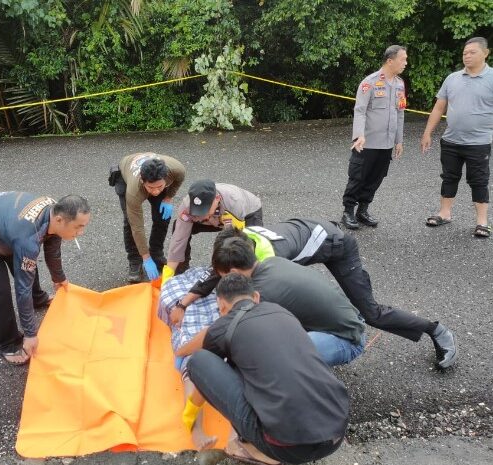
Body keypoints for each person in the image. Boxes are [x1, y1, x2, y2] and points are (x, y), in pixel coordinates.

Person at [170, 219, 457, 368]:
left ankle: (435, 330)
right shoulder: (252, 253)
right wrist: (184, 302)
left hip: (337, 245)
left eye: (224, 276)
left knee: (371, 313)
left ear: (235, 268)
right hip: (312, 236)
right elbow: (217, 274)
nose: (221, 281)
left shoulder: (264, 279)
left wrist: (183, 351)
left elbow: (226, 331)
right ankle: (331, 329)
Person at [183, 274, 349, 464]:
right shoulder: (281, 311)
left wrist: (191, 412)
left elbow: (204, 372)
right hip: (336, 431)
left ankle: (254, 451)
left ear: (221, 305)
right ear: (256, 297)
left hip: (286, 448)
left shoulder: (224, 325)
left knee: (198, 360)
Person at [0, 193, 91, 365]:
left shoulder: (58, 211)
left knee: (28, 263)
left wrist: (59, 278)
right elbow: (22, 287)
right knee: (0, 289)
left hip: (5, 230)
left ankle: (38, 299)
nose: (81, 232)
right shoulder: (28, 238)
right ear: (59, 220)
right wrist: (31, 334)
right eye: (78, 227)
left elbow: (52, 245)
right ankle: (7, 343)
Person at [207, 237, 366, 366]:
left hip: (348, 339)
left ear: (234, 272)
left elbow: (239, 331)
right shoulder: (273, 262)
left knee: (268, 356)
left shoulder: (262, 292)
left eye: (224, 277)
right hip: (351, 320)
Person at [421, 37, 493, 238]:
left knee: (479, 181)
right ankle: (444, 213)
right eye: (464, 53)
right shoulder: (452, 78)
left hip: (479, 143)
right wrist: (427, 133)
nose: (467, 56)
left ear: (485, 53)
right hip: (451, 140)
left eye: (472, 52)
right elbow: (439, 107)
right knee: (449, 177)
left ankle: (482, 222)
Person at [341, 45, 408, 229]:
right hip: (367, 142)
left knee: (376, 178)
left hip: (386, 144)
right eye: (403, 59)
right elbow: (360, 110)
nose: (405, 63)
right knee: (358, 177)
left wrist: (398, 140)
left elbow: (400, 112)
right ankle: (348, 212)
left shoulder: (400, 84)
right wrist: (359, 136)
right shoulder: (369, 82)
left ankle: (363, 210)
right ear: (390, 60)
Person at [157, 267, 220, 450]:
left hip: (215, 298)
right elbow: (198, 339)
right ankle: (196, 429)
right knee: (192, 362)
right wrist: (182, 352)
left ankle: (237, 436)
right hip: (186, 295)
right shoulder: (187, 286)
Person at [164, 179, 262, 277]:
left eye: (205, 210)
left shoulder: (234, 202)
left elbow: (234, 238)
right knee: (178, 226)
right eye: (198, 210)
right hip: (216, 218)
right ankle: (181, 271)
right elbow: (179, 239)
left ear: (217, 198)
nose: (202, 215)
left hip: (245, 213)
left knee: (248, 245)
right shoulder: (187, 206)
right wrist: (168, 273)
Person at [114, 152, 186, 282]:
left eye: (160, 187)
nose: (156, 191)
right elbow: (137, 227)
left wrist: (168, 198)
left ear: (166, 178)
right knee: (130, 222)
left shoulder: (177, 170)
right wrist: (145, 258)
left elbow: (178, 181)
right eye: (151, 188)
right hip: (125, 174)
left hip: (155, 178)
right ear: (143, 181)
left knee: (162, 216)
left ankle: (156, 253)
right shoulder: (134, 191)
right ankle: (135, 261)